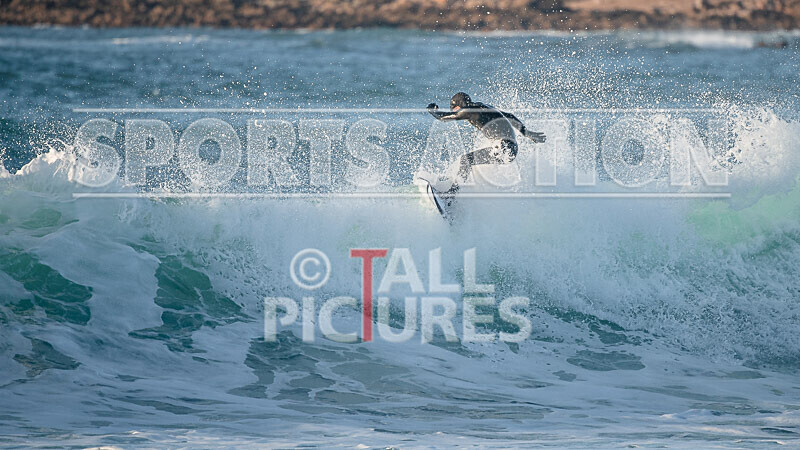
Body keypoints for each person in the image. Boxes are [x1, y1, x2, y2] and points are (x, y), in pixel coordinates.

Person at [427, 92, 546, 194]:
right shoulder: (483, 106)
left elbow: (443, 117)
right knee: (469, 162)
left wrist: (432, 111)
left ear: (459, 105)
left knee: (466, 160)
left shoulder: (469, 110)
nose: (457, 112)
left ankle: (452, 193)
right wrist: (527, 133)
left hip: (503, 147)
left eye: (455, 109)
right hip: (509, 148)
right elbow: (510, 116)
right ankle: (456, 187)